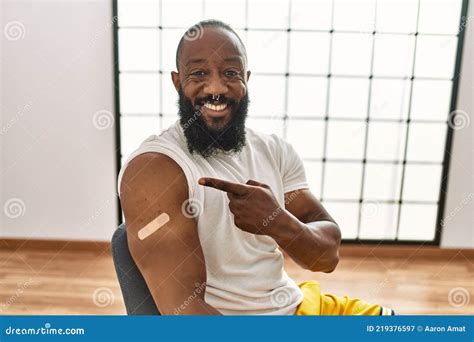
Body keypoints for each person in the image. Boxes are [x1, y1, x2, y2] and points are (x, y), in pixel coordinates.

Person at [118, 19, 395, 316]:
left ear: (246, 80)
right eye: (198, 73)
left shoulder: (274, 150)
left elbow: (326, 258)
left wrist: (275, 220)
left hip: (298, 306)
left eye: (231, 73)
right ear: (178, 82)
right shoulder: (155, 170)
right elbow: (185, 312)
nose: (215, 87)